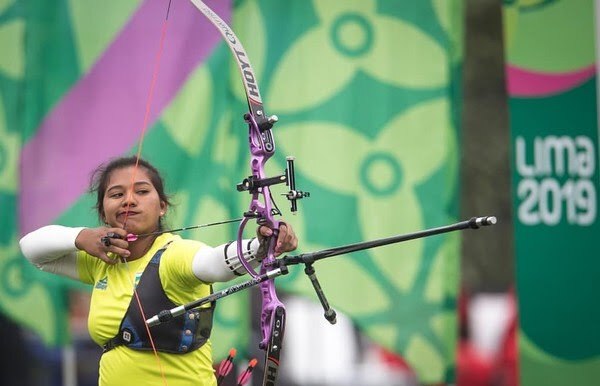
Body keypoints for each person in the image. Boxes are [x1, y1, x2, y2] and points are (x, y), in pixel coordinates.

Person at [19, 156, 298, 386]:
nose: (128, 200)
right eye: (116, 194)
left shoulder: (174, 255)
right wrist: (81, 237)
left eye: (141, 192)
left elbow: (213, 262)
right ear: (103, 211)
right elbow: (32, 250)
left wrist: (261, 247)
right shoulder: (101, 261)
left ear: (162, 206)